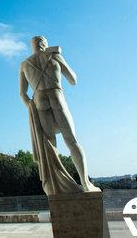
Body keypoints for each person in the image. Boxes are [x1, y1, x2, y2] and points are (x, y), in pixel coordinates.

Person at [19, 36, 99, 194]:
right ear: (44, 45)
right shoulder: (54, 56)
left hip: (38, 98)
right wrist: (57, 56)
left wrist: (30, 105)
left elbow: (22, 93)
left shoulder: (24, 64)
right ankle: (86, 183)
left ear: (32, 47)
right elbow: (73, 79)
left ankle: (55, 186)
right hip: (57, 97)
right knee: (71, 140)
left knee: (49, 144)